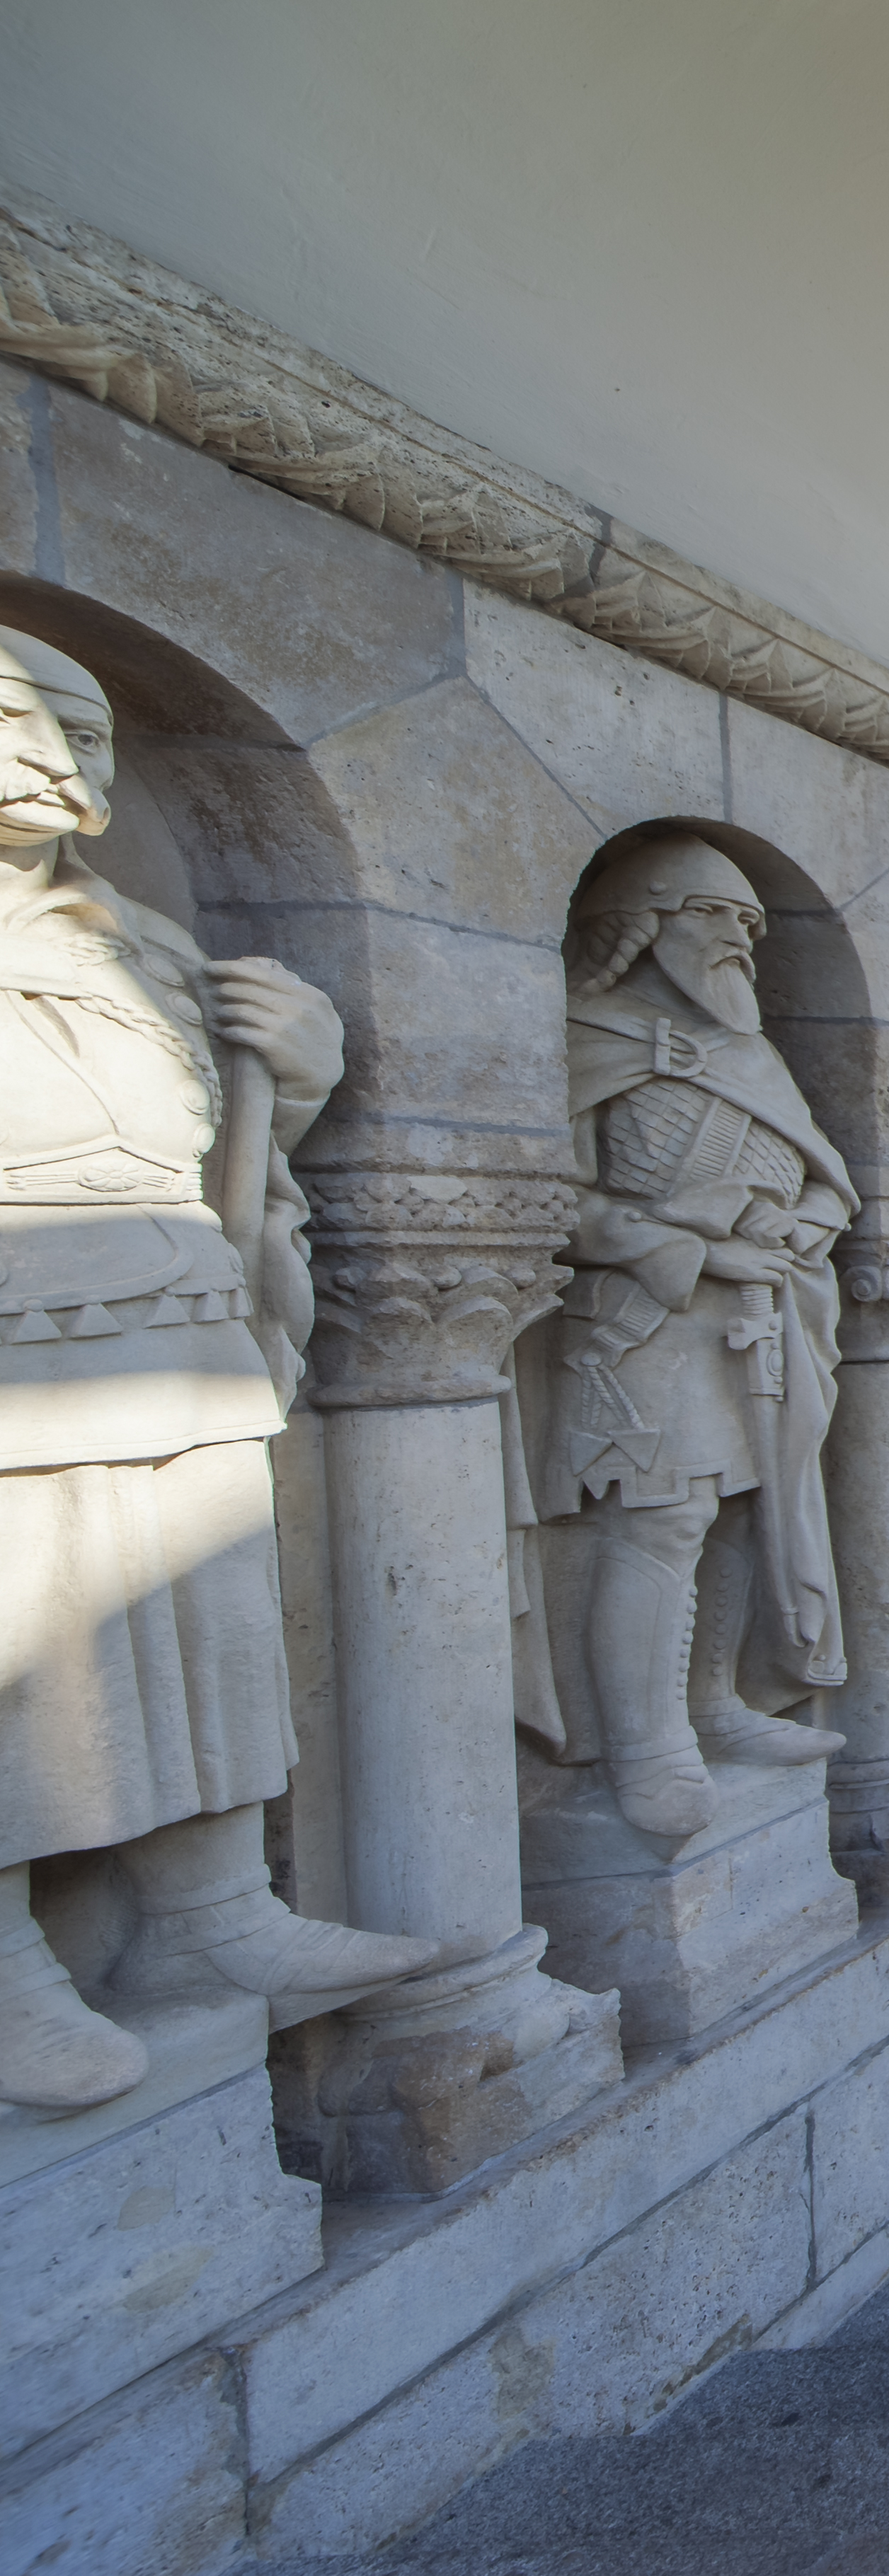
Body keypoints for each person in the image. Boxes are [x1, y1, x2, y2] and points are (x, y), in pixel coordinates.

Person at [0, 625, 432, 2111]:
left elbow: (220, 1161)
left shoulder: (141, 946)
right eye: (11, 717)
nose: (46, 752)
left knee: (199, 1626)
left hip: (176, 1331)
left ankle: (214, 1910)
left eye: (72, 725)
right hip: (17, 1347)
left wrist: (294, 1072)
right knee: (21, 1650)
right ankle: (7, 1969)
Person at [532, 833, 853, 1842]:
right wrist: (696, 1248)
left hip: (759, 1327)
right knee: (659, 1523)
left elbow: (819, 1174)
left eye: (753, 924)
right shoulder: (585, 1036)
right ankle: (647, 1742)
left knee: (739, 1516)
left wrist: (805, 1222)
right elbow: (551, 1201)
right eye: (716, 916)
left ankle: (713, 1702)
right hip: (642, 1327)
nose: (741, 941)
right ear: (643, 924)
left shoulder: (749, 1054)